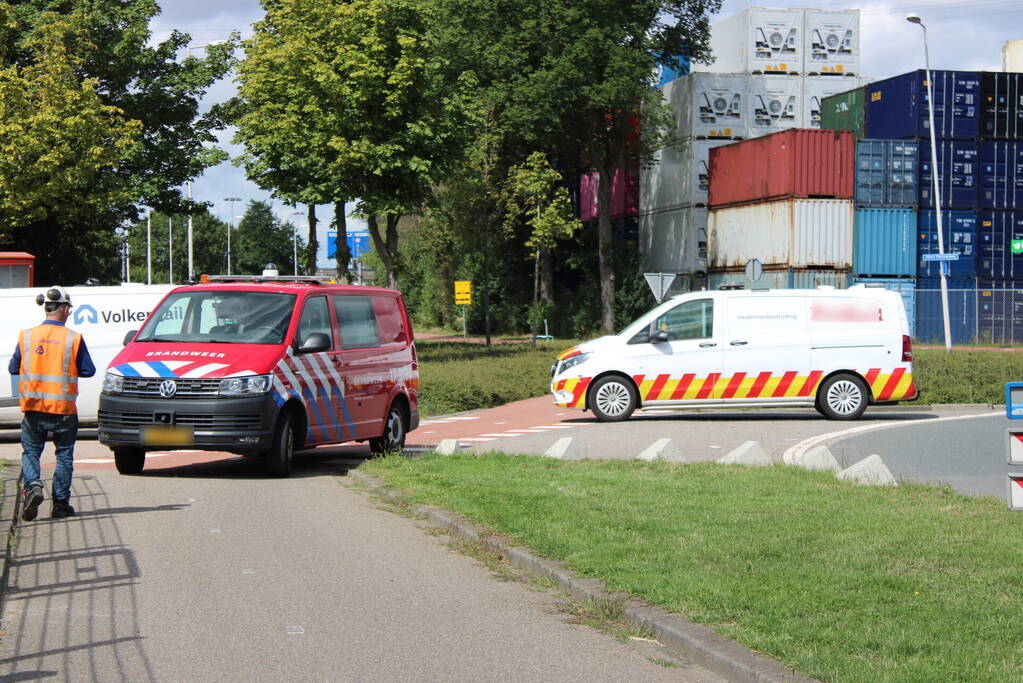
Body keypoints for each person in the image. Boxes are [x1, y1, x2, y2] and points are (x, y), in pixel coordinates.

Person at [8, 286, 95, 520]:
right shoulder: (73, 339)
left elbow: (13, 368)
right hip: (64, 410)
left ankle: (33, 486)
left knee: (31, 453)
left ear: (46, 308)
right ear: (65, 308)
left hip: (34, 407)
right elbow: (88, 370)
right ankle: (60, 505)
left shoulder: (26, 336)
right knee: (64, 456)